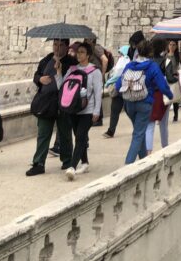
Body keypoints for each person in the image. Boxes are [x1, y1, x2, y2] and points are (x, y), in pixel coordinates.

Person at [114, 39, 171, 164]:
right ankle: (128, 165)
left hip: (129, 104)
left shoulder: (130, 65)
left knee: (139, 130)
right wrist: (170, 95)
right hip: (145, 103)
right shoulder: (152, 66)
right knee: (138, 134)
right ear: (150, 52)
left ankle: (144, 160)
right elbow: (162, 86)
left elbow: (118, 85)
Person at [26, 38, 75, 176]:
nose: (57, 48)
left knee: (65, 133)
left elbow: (72, 83)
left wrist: (60, 71)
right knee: (43, 133)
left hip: (63, 104)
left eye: (60, 45)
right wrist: (39, 79)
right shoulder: (46, 60)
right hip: (46, 102)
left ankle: (67, 160)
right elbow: (37, 75)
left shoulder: (71, 63)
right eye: (55, 44)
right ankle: (39, 163)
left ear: (66, 46)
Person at [65, 42, 103, 180]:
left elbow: (98, 92)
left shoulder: (95, 71)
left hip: (88, 109)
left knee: (80, 136)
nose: (79, 54)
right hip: (74, 109)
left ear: (88, 55)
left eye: (82, 52)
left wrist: (96, 111)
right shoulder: (72, 69)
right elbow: (63, 87)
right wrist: (58, 73)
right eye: (78, 52)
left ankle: (72, 166)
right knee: (79, 137)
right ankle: (85, 163)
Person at [104, 31, 145, 138]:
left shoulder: (143, 53)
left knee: (129, 109)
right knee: (115, 108)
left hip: (133, 85)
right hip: (122, 83)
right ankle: (111, 130)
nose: (134, 45)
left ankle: (137, 128)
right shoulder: (128, 53)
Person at [162, 39, 181, 122]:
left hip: (175, 78)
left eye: (174, 45)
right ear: (168, 45)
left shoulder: (178, 55)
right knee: (166, 97)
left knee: (175, 98)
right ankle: (164, 116)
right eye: (170, 44)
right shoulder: (164, 56)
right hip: (166, 78)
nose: (172, 46)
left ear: (176, 46)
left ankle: (175, 115)